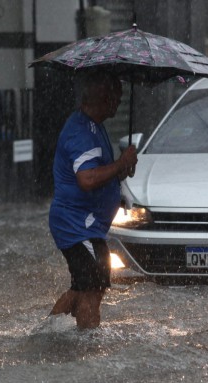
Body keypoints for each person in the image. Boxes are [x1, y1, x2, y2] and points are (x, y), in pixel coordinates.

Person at [47, 71, 138, 329]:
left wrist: (122, 167)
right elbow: (86, 179)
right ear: (104, 97)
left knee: (83, 287)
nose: (120, 101)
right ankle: (87, 345)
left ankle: (48, 333)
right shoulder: (81, 132)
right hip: (78, 226)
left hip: (86, 226)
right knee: (93, 288)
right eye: (117, 96)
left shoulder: (94, 126)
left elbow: (100, 172)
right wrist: (120, 162)